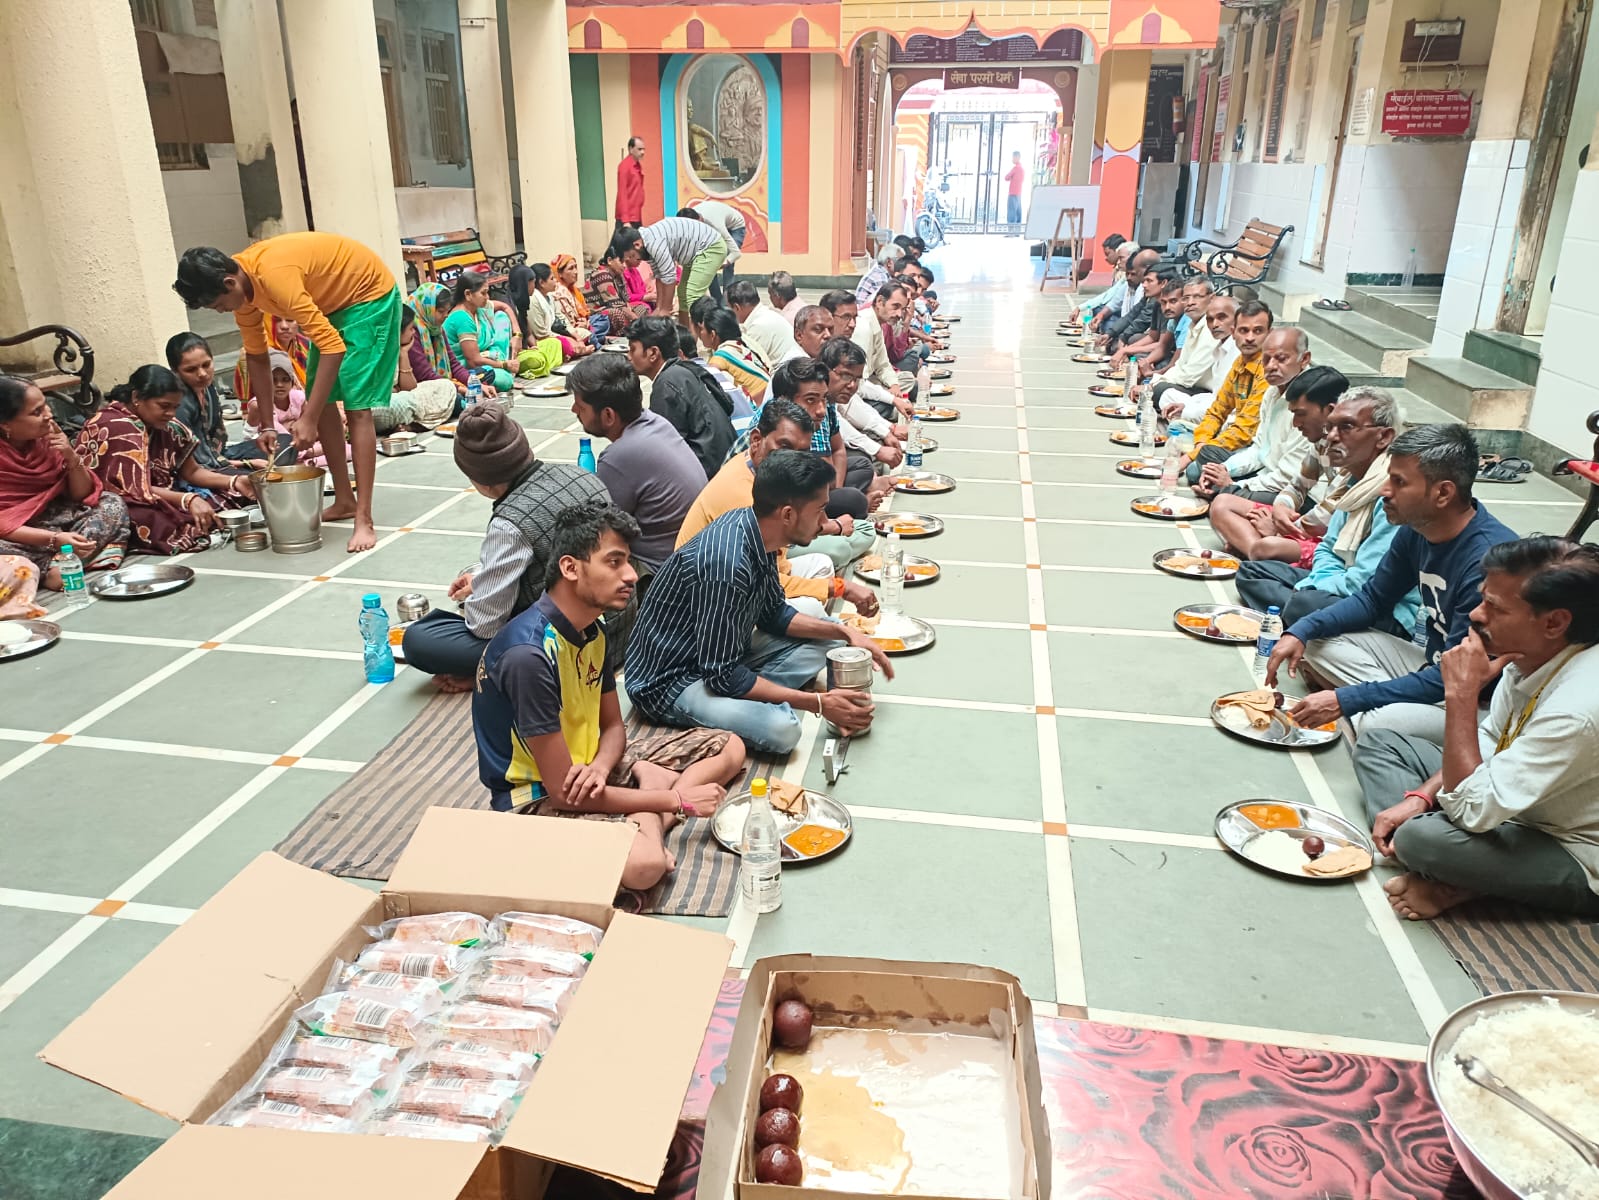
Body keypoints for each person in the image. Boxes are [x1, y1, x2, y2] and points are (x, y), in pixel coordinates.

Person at [472, 500, 746, 891]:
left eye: (628, 562)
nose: (631, 575)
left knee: (729, 746)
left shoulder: (591, 631)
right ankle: (651, 808)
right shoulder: (528, 657)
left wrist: (601, 768)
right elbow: (564, 795)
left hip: (592, 770)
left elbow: (614, 726)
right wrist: (674, 803)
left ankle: (642, 809)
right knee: (646, 866)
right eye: (614, 562)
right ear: (570, 568)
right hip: (537, 800)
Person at [1354, 537, 1599, 920]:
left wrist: (1462, 696)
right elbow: (1488, 743)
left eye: (1494, 608)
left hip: (1571, 850)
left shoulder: (1579, 707)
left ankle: (1454, 877)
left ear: (1554, 622)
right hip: (1508, 804)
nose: (1475, 615)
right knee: (1381, 742)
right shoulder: (1531, 656)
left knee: (1420, 838)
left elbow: (1473, 811)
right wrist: (1419, 797)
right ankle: (1452, 870)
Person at [625, 450, 892, 753]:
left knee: (832, 636)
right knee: (783, 731)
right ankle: (748, 699)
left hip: (717, 657)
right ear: (788, 514)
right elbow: (721, 674)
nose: (824, 521)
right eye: (819, 511)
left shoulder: (758, 530)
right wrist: (817, 703)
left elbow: (775, 614)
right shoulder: (726, 564)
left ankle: (751, 693)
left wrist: (847, 632)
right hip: (672, 681)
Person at [1265, 423, 1516, 741]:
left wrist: (1348, 699)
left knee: (1378, 727)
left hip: (1477, 703)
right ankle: (1383, 702)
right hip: (1433, 667)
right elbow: (1372, 600)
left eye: (1398, 482)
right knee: (1314, 638)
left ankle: (1381, 710)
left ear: (1443, 493)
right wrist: (1300, 631)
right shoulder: (1417, 529)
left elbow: (1460, 679)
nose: (1385, 490)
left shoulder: (1488, 563)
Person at [174, 232, 399, 553]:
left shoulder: (274, 276)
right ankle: (345, 501)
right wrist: (267, 425)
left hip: (369, 296)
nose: (221, 311)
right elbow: (257, 357)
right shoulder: (244, 296)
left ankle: (364, 519)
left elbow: (332, 347)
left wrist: (305, 420)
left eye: (218, 305)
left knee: (356, 406)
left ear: (229, 283)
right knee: (320, 401)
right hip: (334, 304)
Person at [402, 403, 608, 689]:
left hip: (570, 646)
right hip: (618, 623)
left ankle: (497, 675)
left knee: (419, 639)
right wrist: (482, 582)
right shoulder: (582, 476)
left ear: (480, 481)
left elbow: (484, 624)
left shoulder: (510, 523)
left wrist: (481, 594)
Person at [1235, 386, 1416, 633]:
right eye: (1330, 426)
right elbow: (1327, 548)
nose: (1331, 436)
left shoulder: (1391, 493)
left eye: (1346, 427)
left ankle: (1301, 616)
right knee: (1250, 572)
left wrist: (1313, 587)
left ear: (1383, 437)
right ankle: (1305, 617)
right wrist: (1319, 582)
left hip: (1379, 605)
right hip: (1337, 581)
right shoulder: (1350, 478)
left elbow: (1366, 583)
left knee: (1304, 601)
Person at [677, 397, 878, 616]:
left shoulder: (764, 473)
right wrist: (840, 588)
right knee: (812, 607)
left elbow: (777, 567)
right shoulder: (744, 495)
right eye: (784, 447)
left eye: (802, 452)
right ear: (756, 440)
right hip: (713, 605)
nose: (791, 459)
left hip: (767, 575)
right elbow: (770, 585)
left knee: (822, 563)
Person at [75, 365, 255, 555]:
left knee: (231, 492)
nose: (171, 414)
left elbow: (192, 472)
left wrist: (234, 482)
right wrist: (187, 499)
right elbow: (134, 490)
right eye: (164, 406)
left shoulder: (167, 426)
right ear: (136, 398)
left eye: (175, 407)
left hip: (162, 494)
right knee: (155, 520)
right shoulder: (117, 427)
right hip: (122, 501)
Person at [568, 354, 704, 574]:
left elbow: (601, 529)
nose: (574, 410)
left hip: (662, 573)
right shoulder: (657, 422)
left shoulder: (619, 456)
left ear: (608, 415)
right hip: (693, 557)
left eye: (580, 406)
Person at [1206, 359, 1341, 563]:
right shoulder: (1322, 442)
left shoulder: (1352, 451)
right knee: (1222, 503)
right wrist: (1279, 511)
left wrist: (1276, 531)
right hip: (1305, 519)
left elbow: (1330, 515)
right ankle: (1258, 551)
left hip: (1333, 541)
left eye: (1301, 415)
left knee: (1269, 546)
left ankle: (1259, 551)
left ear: (1329, 411)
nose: (1296, 423)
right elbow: (1297, 486)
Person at [0, 376, 130, 582]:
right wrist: (54, 539)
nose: (49, 415)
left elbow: (82, 494)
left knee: (112, 503)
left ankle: (59, 564)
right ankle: (60, 564)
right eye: (37, 412)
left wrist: (70, 456)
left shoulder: (48, 436)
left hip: (57, 517)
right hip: (18, 534)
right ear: (6, 425)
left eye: (46, 406)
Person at [1198, 330, 1316, 506]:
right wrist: (1225, 469)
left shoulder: (1310, 401)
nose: (1271, 366)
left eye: (1281, 359)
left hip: (1296, 490)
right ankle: (1228, 494)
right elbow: (1259, 449)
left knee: (1222, 500)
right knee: (1207, 457)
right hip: (1266, 473)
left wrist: (1234, 486)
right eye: (1266, 359)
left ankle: (1227, 496)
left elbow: (1290, 477)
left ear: (1304, 359)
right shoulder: (1272, 392)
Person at [785, 304, 902, 470]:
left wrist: (886, 429)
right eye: (818, 330)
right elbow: (823, 458)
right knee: (864, 463)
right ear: (799, 335)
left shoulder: (823, 364)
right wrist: (878, 445)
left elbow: (850, 403)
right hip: (793, 461)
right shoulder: (799, 372)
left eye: (830, 330)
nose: (826, 336)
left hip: (819, 448)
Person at [1173, 299, 1272, 486]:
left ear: (1269, 334)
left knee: (1195, 469)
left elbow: (1245, 431)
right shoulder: (1240, 363)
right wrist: (1201, 443)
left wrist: (1193, 455)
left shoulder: (1267, 369)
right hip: (1234, 438)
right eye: (1244, 331)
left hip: (1257, 449)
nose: (1250, 338)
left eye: (1257, 331)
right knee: (1178, 430)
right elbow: (1217, 410)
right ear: (1234, 332)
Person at [626, 316, 730, 475]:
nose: (629, 356)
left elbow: (663, 450)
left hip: (705, 475)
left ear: (653, 353)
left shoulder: (667, 383)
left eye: (633, 349)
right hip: (722, 466)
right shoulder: (686, 368)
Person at [166, 332, 260, 474]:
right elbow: (198, 460)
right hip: (197, 469)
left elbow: (215, 445)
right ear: (175, 371)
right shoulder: (180, 404)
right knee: (254, 479)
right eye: (191, 369)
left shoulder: (208, 387)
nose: (202, 373)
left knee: (283, 444)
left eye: (206, 364)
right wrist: (246, 463)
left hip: (217, 454)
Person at [820, 289, 910, 424]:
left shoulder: (846, 339)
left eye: (854, 318)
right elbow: (853, 393)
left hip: (859, 391)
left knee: (908, 378)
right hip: (856, 395)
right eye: (846, 317)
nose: (852, 324)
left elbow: (882, 365)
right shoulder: (861, 330)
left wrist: (894, 388)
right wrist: (885, 428)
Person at [615, 218, 727, 320]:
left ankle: (699, 334)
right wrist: (658, 308)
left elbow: (669, 277)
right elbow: (659, 276)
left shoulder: (654, 243)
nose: (631, 260)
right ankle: (686, 336)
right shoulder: (645, 245)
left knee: (692, 296)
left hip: (710, 247)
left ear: (637, 244)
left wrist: (665, 309)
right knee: (682, 293)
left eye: (631, 256)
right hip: (694, 254)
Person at [381, 306, 462, 436]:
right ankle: (415, 425)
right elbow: (378, 392)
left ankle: (409, 425)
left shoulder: (401, 347)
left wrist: (403, 354)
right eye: (410, 328)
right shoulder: (378, 352)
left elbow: (410, 387)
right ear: (398, 332)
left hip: (405, 398)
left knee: (445, 386)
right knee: (401, 402)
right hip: (385, 405)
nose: (414, 332)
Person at [505, 264, 572, 379]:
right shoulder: (507, 306)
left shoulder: (523, 302)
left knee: (555, 344)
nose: (534, 287)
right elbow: (507, 343)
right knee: (536, 359)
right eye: (532, 282)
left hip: (528, 350)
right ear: (525, 284)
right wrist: (526, 350)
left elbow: (529, 333)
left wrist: (534, 346)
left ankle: (544, 366)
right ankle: (541, 366)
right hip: (513, 355)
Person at [698, 306, 771, 406]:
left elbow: (706, 383)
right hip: (771, 394)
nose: (700, 333)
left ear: (712, 335)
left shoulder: (720, 357)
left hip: (760, 407)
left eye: (702, 329)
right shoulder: (740, 345)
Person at [231, 313, 307, 407]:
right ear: (267, 322)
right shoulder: (255, 351)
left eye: (290, 320)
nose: (284, 326)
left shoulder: (305, 346)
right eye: (277, 320)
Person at [680, 200, 746, 299]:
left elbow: (736, 253)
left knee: (728, 264)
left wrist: (722, 263)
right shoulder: (689, 223)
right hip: (716, 225)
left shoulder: (714, 223)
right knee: (708, 264)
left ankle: (728, 300)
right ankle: (718, 302)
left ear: (700, 219)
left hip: (735, 227)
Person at [725, 279, 798, 367]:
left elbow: (746, 364)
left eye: (729, 308)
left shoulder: (759, 326)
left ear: (737, 307)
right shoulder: (763, 315)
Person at [588, 245, 648, 335]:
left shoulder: (618, 274)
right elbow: (615, 304)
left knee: (642, 308)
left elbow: (625, 300)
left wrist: (631, 311)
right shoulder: (602, 275)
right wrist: (636, 319)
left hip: (617, 307)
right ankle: (627, 331)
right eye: (621, 261)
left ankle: (632, 329)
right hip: (598, 312)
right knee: (616, 314)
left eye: (625, 261)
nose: (624, 265)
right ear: (609, 261)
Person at [551, 253, 608, 344]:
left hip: (582, 323)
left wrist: (585, 322)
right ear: (560, 274)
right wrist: (583, 325)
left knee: (603, 319)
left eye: (575, 267)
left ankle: (592, 337)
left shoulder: (574, 290)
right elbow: (568, 322)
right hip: (570, 328)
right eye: (571, 268)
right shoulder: (560, 292)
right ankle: (591, 338)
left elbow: (585, 313)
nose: (576, 272)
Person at [615, 136, 645, 231]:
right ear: (631, 149)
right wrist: (626, 220)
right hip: (628, 218)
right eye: (639, 149)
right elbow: (622, 193)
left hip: (636, 215)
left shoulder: (637, 166)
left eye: (643, 149)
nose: (642, 152)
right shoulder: (625, 166)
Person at [1004, 150, 1025, 226]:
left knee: (1011, 212)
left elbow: (1006, 177)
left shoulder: (1016, 168)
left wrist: (1011, 177)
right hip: (1019, 193)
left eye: (1013, 157)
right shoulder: (1022, 169)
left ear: (1017, 157)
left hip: (1012, 193)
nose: (1012, 159)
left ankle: (1011, 232)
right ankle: (1017, 232)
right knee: (1018, 212)